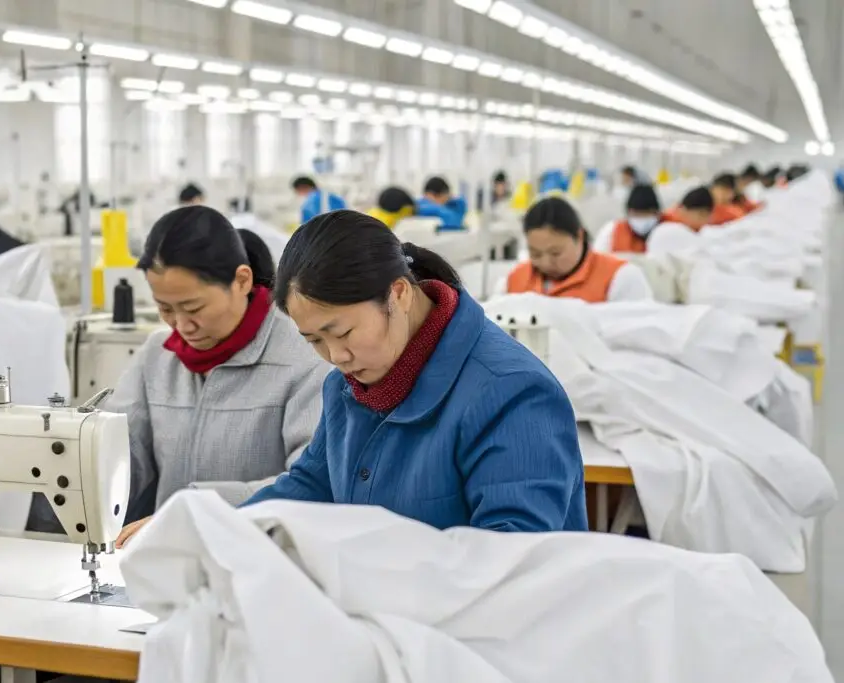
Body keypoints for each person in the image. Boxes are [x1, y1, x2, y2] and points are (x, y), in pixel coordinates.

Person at [242, 210, 587, 533]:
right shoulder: (347, 388)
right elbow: (312, 485)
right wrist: (230, 531)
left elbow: (512, 557)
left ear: (399, 294)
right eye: (314, 340)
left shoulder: (512, 393)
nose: (335, 356)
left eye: (343, 333)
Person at [101, 205, 329, 546]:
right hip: (174, 557)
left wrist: (198, 512)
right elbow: (120, 456)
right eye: (165, 309)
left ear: (241, 280)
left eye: (194, 308)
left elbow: (311, 485)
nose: (180, 325)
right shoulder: (157, 355)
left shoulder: (303, 357)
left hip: (267, 559)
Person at [507, 196, 654, 303]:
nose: (546, 263)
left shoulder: (620, 278)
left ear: (579, 236)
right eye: (536, 254)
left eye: (555, 253)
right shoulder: (515, 280)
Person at [593, 184, 675, 253]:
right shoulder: (611, 232)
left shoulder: (673, 229)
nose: (641, 219)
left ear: (657, 213)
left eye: (645, 215)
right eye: (636, 215)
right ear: (628, 214)